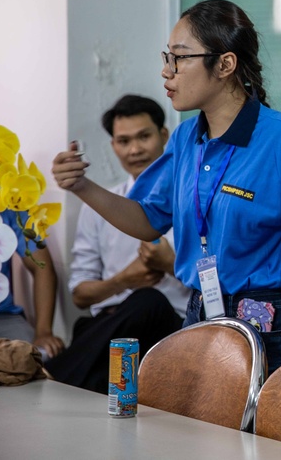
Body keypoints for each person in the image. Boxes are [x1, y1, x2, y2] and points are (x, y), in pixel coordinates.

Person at [52, 0, 281, 373]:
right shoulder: (186, 139)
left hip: (269, 321)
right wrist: (83, 186)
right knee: (196, 428)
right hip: (201, 311)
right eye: (167, 57)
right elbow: (148, 220)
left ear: (225, 65)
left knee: (254, 431)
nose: (167, 72)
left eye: (179, 59)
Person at [44, 94, 190, 393]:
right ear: (113, 146)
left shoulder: (191, 202)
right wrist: (124, 280)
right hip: (106, 327)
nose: (135, 149)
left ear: (164, 136)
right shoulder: (98, 206)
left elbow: (220, 282)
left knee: (149, 300)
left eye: (144, 137)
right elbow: (81, 296)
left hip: (169, 329)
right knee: (93, 325)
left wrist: (170, 265)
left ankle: (49, 376)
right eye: (123, 141)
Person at [0, 203, 64, 358]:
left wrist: (43, 332)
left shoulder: (7, 202)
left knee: (33, 358)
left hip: (1, 317)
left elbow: (42, 268)